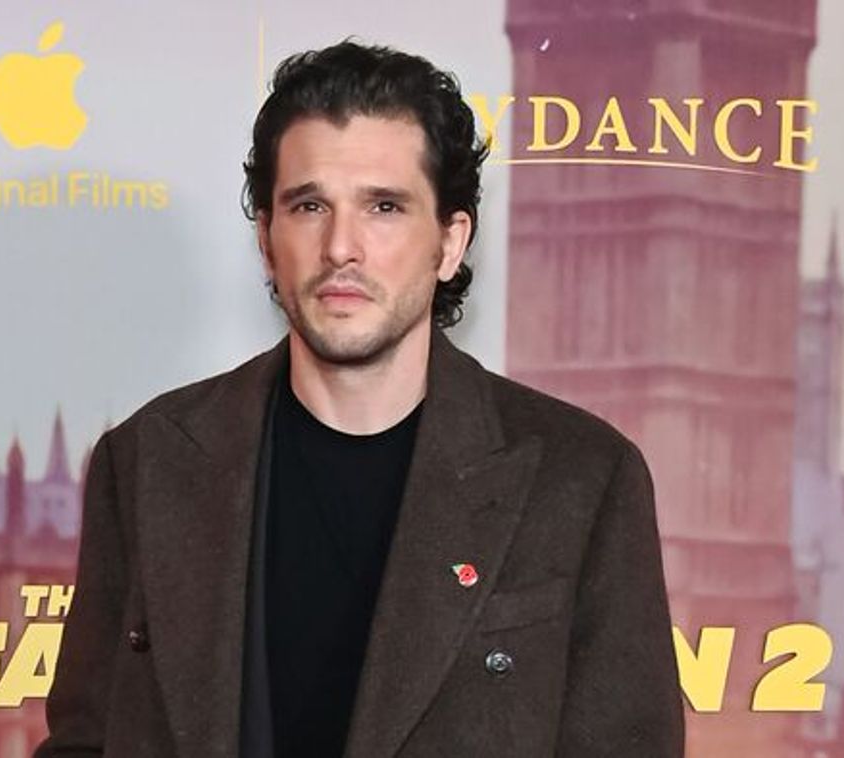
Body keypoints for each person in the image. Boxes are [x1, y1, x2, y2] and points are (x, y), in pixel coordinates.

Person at [35, 40, 684, 757]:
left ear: (449, 243)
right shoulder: (149, 461)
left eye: (384, 206)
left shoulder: (580, 479)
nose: (341, 246)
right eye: (309, 205)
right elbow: (85, 741)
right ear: (266, 239)